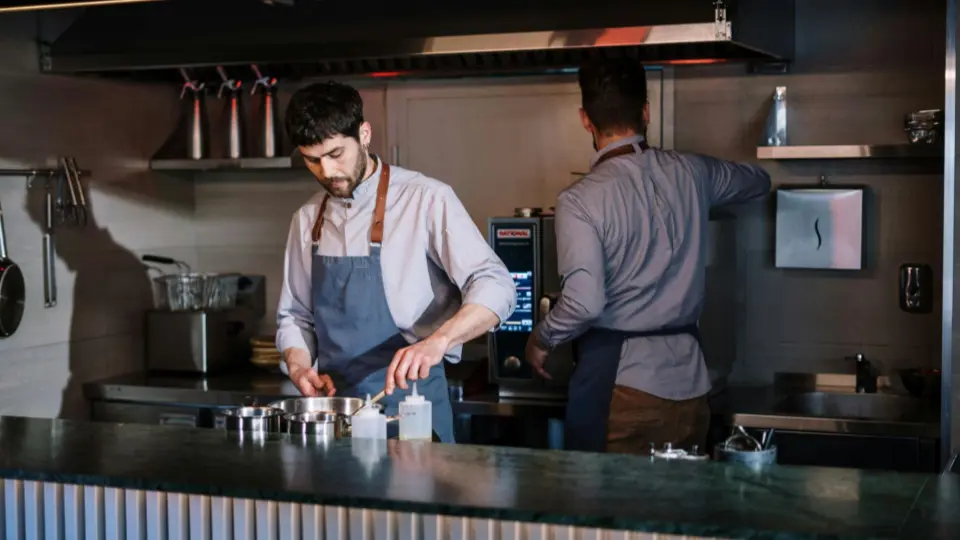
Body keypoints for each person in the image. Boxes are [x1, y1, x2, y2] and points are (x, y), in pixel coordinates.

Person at [525, 57, 771, 454]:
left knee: (605, 512)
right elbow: (758, 182)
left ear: (585, 119)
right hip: (692, 388)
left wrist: (541, 338)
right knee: (676, 512)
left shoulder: (579, 200)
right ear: (646, 113)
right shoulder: (693, 173)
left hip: (621, 390)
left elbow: (585, 303)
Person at [276, 81, 516, 443]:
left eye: (336, 153)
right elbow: (295, 315)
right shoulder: (306, 219)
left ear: (365, 134)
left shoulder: (426, 199)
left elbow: (496, 284)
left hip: (412, 408)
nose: (327, 172)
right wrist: (298, 365)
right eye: (312, 160)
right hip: (335, 416)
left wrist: (438, 341)